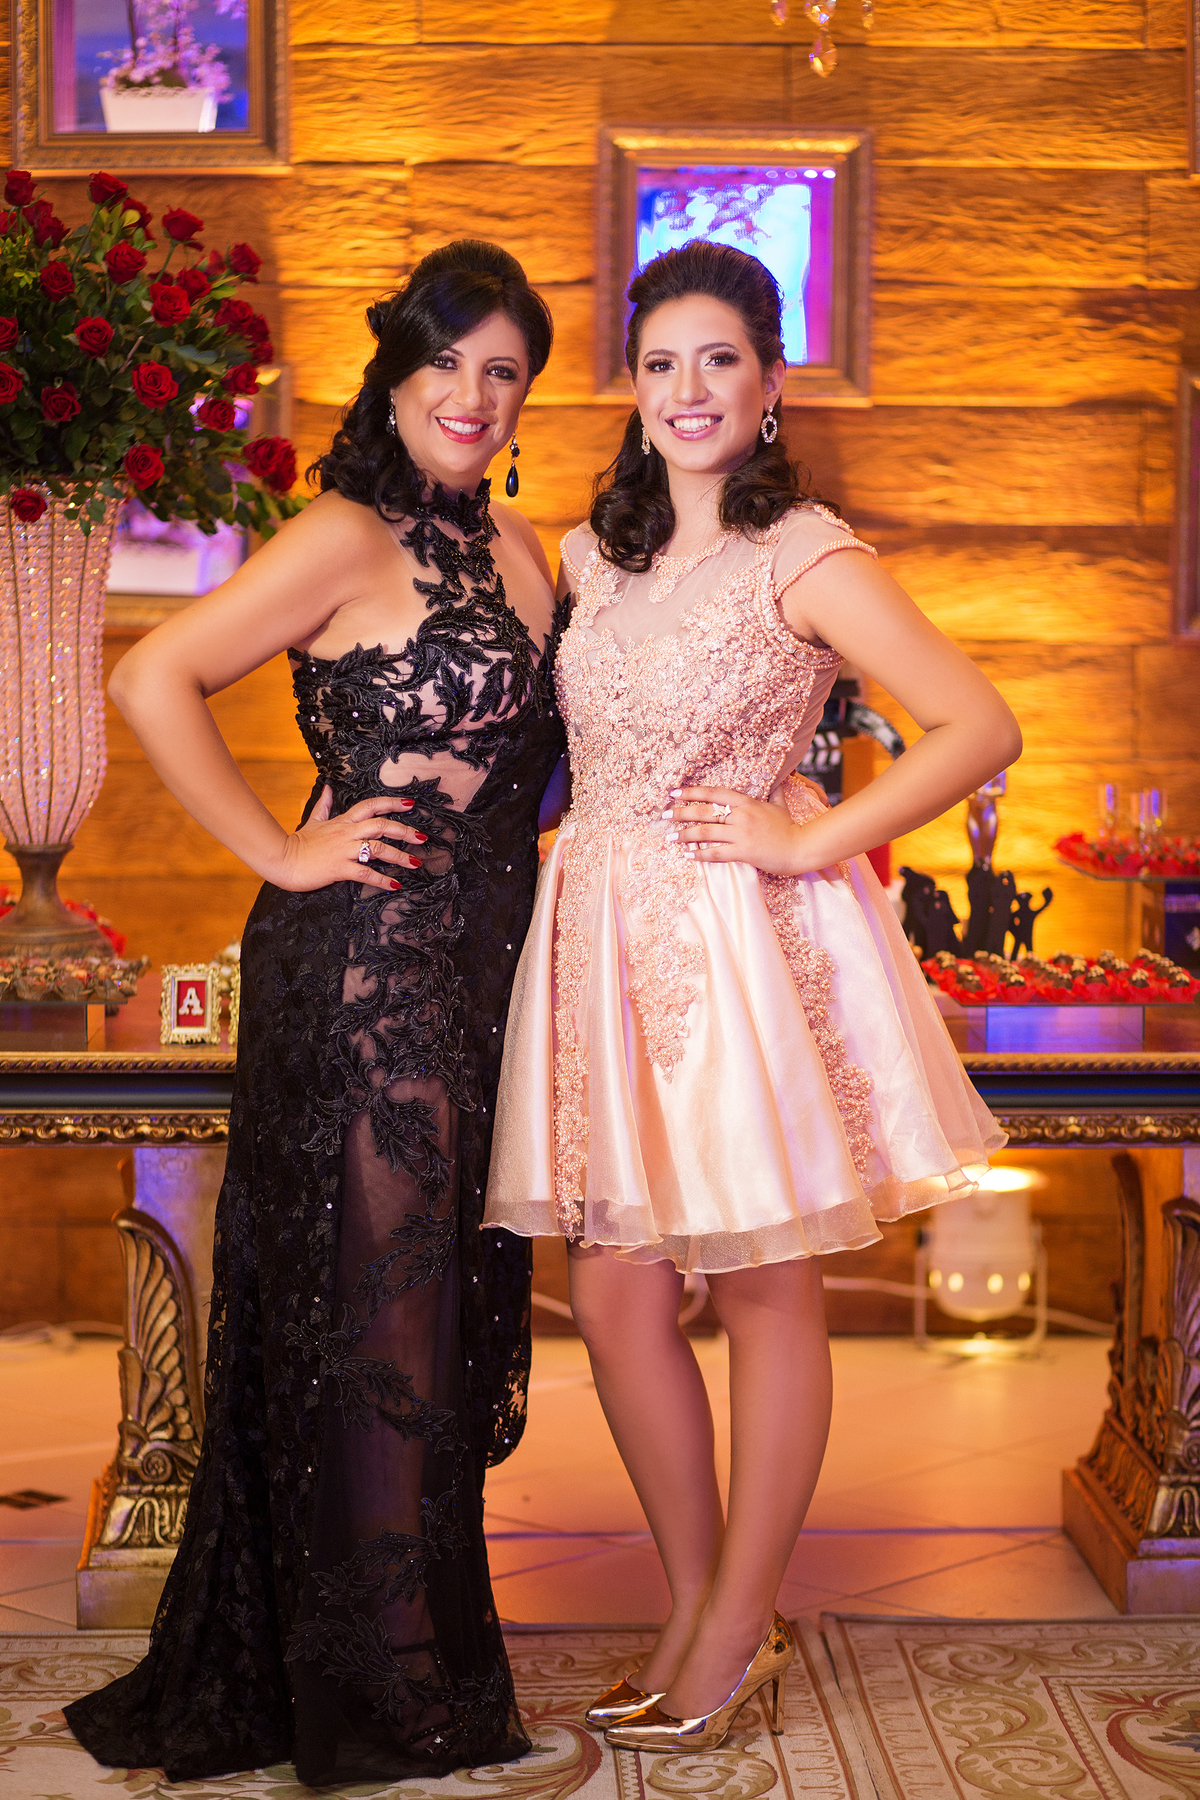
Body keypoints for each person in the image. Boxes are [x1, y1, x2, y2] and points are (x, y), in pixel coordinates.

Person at [485, 241, 1018, 1751]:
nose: (689, 389)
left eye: (719, 359)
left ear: (770, 382)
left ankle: (732, 1626)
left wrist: (806, 837)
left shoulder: (806, 553)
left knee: (766, 1285)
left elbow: (976, 725)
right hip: (601, 933)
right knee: (615, 1293)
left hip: (740, 941)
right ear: (633, 387)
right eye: (661, 362)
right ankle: (699, 1603)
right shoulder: (590, 555)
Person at [65, 242, 567, 1786]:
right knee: (376, 1327)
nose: (473, 395)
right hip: (363, 975)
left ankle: (405, 1661)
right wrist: (283, 853)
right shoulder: (341, 534)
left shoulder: (525, 544)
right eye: (448, 363)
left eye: (504, 371)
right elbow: (155, 678)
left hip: (478, 980)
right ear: (395, 375)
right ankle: (380, 1697)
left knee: (433, 1320)